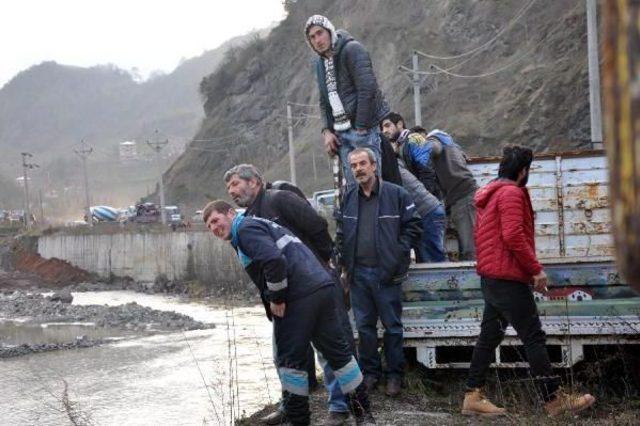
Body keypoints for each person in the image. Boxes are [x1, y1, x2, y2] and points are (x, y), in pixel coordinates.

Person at [204, 201, 375, 426]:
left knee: (290, 364)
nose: (214, 228)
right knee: (340, 356)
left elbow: (274, 260)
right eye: (209, 227)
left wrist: (277, 297)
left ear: (231, 213)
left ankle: (298, 420)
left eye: (215, 220)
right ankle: (364, 416)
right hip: (321, 288)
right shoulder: (257, 225)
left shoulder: (244, 229)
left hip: (298, 295)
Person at [462, 145, 595, 417]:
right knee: (533, 336)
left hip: (493, 277)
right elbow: (512, 236)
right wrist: (535, 270)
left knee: (489, 337)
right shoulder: (511, 193)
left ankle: (472, 396)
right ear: (523, 171)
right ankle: (553, 400)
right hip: (507, 278)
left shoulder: (492, 192)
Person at [224, 164, 354, 426]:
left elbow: (317, 226)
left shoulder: (279, 199)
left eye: (236, 184)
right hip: (286, 297)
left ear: (255, 182)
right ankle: (290, 404)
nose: (232, 191)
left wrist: (324, 262)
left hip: (313, 288)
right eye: (229, 189)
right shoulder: (247, 219)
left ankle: (340, 407)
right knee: (284, 355)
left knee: (329, 350)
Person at [336, 148, 422, 397]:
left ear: (374, 166)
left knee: (392, 327)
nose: (358, 169)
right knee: (364, 328)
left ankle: (395, 376)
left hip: (387, 273)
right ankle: (371, 374)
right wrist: (341, 262)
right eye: (353, 166)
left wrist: (397, 252)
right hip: (358, 274)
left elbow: (414, 226)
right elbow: (341, 231)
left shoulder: (396, 194)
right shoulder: (349, 195)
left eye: (363, 163)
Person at [305, 15, 390, 188]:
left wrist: (361, 127)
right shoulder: (320, 63)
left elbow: (368, 88)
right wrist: (326, 131)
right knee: (353, 190)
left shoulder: (352, 49)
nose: (317, 40)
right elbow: (324, 100)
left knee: (372, 187)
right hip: (341, 134)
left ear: (329, 31)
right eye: (312, 37)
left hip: (362, 130)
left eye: (320, 33)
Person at [380, 112, 442, 200]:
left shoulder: (414, 138)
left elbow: (427, 170)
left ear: (400, 124)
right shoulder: (399, 145)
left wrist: (426, 198)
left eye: (387, 125)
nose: (384, 131)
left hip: (430, 198)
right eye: (382, 128)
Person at [396, 157, 447, 262]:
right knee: (428, 258)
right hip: (431, 209)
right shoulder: (397, 164)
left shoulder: (390, 170)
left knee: (432, 261)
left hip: (426, 212)